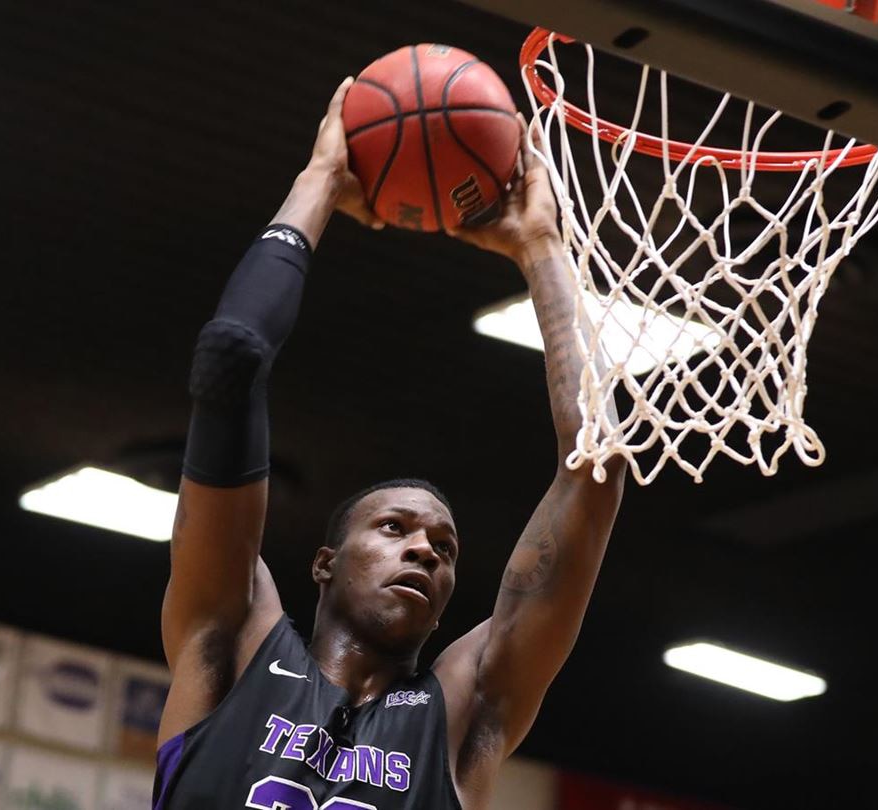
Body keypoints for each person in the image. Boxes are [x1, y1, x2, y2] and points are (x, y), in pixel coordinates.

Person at [153, 76, 626, 810]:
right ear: (323, 563)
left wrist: (541, 247)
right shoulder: (233, 638)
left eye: (445, 547)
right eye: (395, 528)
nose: (425, 551)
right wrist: (320, 182)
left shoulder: (463, 712)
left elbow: (597, 469)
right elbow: (231, 359)